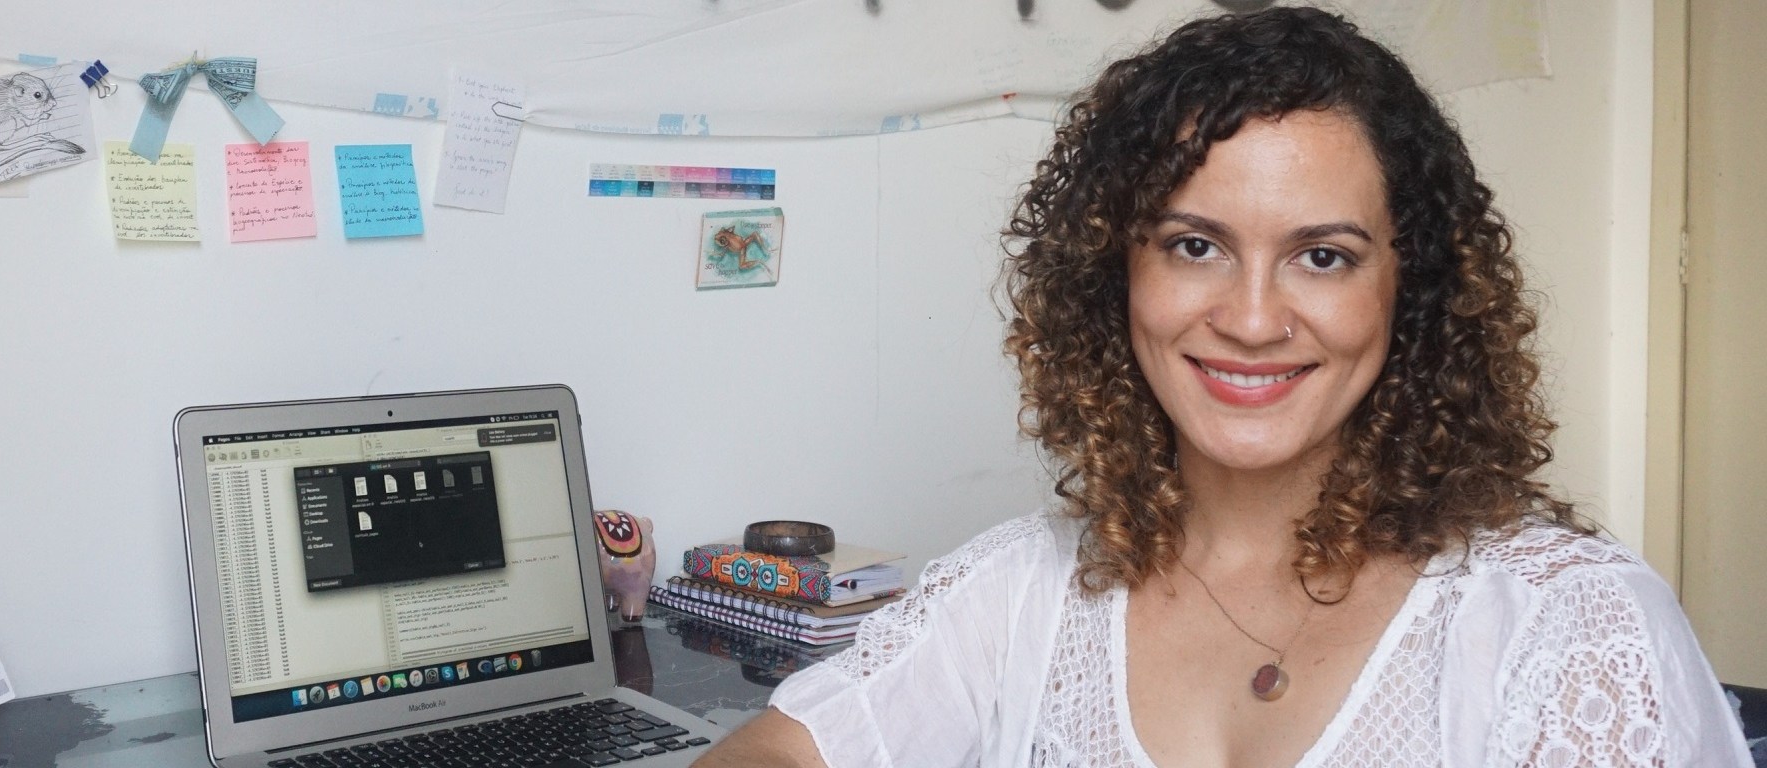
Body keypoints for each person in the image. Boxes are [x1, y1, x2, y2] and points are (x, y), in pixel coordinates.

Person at [696, 7, 1750, 766]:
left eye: (1323, 256)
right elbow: (778, 753)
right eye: (1196, 245)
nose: (1250, 318)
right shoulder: (1016, 592)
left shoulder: (1566, 629)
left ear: (1410, 288)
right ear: (1118, 271)